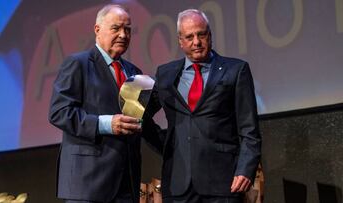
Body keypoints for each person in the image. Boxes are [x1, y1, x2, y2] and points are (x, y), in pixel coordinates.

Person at [145, 9, 262, 203]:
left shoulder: (235, 70)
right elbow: (142, 117)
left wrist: (245, 169)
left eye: (201, 34)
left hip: (223, 182)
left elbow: (249, 128)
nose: (196, 42)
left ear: (210, 35)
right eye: (189, 37)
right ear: (180, 41)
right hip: (177, 184)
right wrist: (167, 147)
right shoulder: (166, 74)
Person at [49, 4, 143, 203]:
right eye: (116, 28)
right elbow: (59, 112)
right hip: (87, 183)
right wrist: (106, 124)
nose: (123, 35)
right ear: (97, 30)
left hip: (127, 184)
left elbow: (139, 122)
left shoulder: (135, 73)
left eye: (127, 29)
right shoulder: (78, 64)